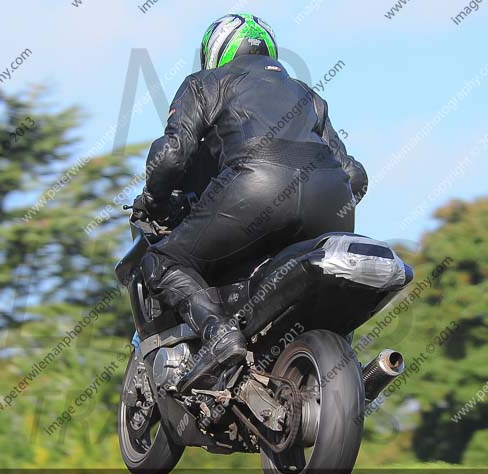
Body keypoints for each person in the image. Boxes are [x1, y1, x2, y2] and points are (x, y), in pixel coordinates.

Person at [131, 13, 368, 389]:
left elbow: (172, 155)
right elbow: (355, 176)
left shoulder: (205, 83)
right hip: (332, 197)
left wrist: (154, 200)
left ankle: (217, 334)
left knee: (161, 259)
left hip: (257, 186)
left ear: (217, 51)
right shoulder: (309, 96)